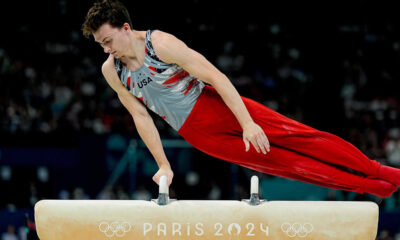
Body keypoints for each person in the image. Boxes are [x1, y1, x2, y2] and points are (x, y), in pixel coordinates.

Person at [81, 0, 400, 198]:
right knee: (286, 166)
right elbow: (141, 116)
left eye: (108, 40)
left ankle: (382, 172)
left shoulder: (160, 43)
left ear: (125, 28)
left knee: (302, 139)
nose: (107, 49)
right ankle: (373, 187)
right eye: (100, 44)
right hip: (197, 134)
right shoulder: (112, 71)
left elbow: (217, 77)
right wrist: (164, 165)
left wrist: (247, 123)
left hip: (217, 107)